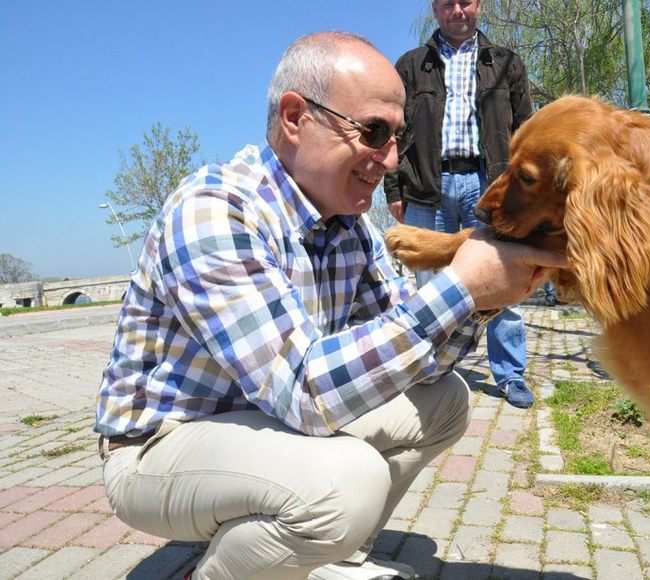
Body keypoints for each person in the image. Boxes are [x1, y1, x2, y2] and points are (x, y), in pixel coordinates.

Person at [94, 32, 565, 580]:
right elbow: (307, 393)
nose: (391, 159)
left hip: (267, 421)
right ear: (295, 117)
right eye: (374, 132)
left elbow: (423, 357)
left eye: (399, 136)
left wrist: (483, 300)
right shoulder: (215, 212)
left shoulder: (350, 225)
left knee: (444, 399)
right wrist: (458, 286)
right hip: (160, 447)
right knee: (347, 481)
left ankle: (325, 558)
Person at [384, 0, 536, 408]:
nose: (457, 10)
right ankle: (428, 370)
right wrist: (393, 189)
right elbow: (392, 133)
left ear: (479, 6)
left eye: (464, 1)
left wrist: (523, 195)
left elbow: (526, 131)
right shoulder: (412, 65)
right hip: (425, 185)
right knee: (428, 286)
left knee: (505, 276)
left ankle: (510, 373)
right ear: (435, 8)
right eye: (447, 2)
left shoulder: (504, 62)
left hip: (490, 187)